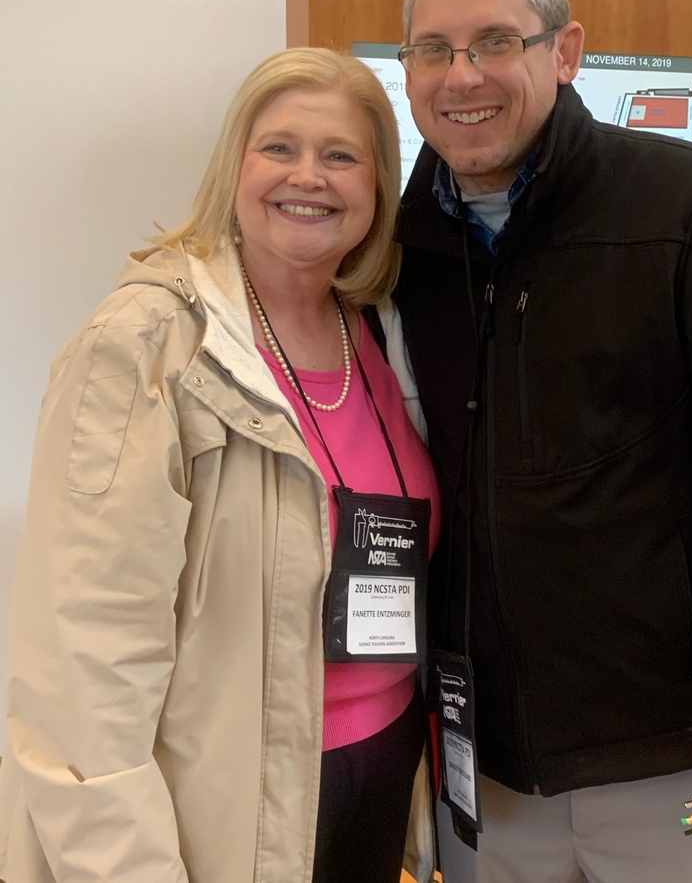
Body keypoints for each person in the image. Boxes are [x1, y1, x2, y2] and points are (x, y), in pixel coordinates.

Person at [393, 0, 692, 882]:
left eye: (496, 42)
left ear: (565, 51)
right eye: (433, 49)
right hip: (490, 774)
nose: (462, 76)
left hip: (688, 767)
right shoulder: (402, 246)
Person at [0, 47, 440, 883]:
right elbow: (82, 675)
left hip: (381, 779)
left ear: (379, 186)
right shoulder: (145, 346)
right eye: (278, 147)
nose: (307, 175)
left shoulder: (381, 334)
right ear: (234, 167)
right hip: (228, 808)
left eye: (341, 155)